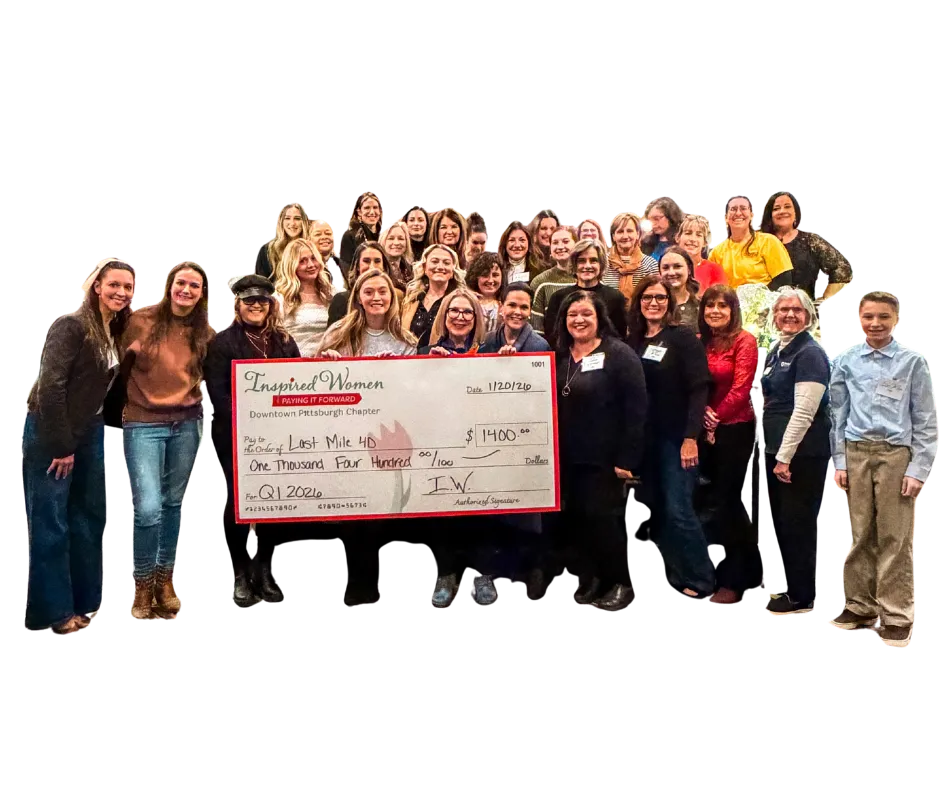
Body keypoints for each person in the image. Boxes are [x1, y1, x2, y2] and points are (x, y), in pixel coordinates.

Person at [24, 258, 136, 634]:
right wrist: (61, 445)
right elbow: (51, 387)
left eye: (127, 287)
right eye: (114, 284)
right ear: (97, 287)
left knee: (89, 517)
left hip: (90, 430)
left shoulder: (114, 329)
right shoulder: (71, 325)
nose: (121, 292)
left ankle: (86, 601)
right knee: (51, 521)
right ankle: (52, 613)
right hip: (53, 430)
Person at [829, 290, 936, 647]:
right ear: (859, 319)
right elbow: (838, 415)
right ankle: (860, 605)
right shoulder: (846, 361)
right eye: (869, 316)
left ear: (896, 320)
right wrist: (840, 462)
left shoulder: (911, 362)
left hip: (895, 456)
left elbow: (925, 419)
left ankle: (896, 615)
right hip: (856, 452)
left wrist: (918, 469)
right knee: (860, 534)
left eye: (883, 317)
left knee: (894, 536)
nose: (875, 323)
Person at [317, 270, 419, 607]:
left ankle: (384, 588)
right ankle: (354, 587)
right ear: (358, 297)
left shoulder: (406, 340)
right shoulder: (337, 334)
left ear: (393, 297)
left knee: (388, 513)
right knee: (353, 516)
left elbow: (415, 390)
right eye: (369, 291)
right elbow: (316, 381)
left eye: (383, 291)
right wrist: (327, 363)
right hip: (348, 438)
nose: (377, 297)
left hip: (390, 439)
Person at [121, 260, 214, 620]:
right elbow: (115, 369)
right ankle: (143, 583)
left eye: (194, 286)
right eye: (181, 283)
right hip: (144, 424)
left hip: (186, 425)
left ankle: (165, 580)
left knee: (173, 502)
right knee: (147, 508)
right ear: (169, 286)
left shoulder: (203, 332)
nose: (186, 290)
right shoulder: (139, 322)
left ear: (201, 294)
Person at [204, 274, 300, 608]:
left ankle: (265, 572)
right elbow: (218, 395)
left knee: (274, 508)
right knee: (236, 511)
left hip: (281, 441)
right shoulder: (222, 343)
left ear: (271, 304)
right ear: (237, 305)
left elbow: (298, 384)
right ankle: (239, 575)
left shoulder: (285, 342)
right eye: (249, 301)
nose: (256, 306)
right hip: (236, 440)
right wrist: (252, 425)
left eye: (262, 300)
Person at [553, 289, 647, 610]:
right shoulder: (560, 355)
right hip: (569, 458)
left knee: (603, 521)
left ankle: (624, 582)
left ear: (599, 318)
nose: (579, 320)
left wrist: (628, 457)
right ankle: (596, 576)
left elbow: (637, 408)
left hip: (605, 459)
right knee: (580, 520)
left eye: (586, 314)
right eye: (573, 315)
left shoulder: (618, 354)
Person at [627, 275, 714, 601]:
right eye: (647, 297)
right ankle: (678, 572)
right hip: (647, 442)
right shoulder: (634, 340)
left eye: (660, 297)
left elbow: (699, 388)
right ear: (638, 302)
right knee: (660, 509)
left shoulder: (682, 338)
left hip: (677, 439)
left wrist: (691, 437)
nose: (653, 303)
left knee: (680, 509)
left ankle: (702, 579)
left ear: (669, 302)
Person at [760, 287, 830, 616]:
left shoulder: (810, 353)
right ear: (774, 316)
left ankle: (802, 597)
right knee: (782, 522)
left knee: (798, 525)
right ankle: (785, 585)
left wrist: (784, 457)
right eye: (783, 309)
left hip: (801, 455)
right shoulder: (779, 348)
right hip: (779, 451)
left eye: (797, 310)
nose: (789, 314)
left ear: (808, 316)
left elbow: (804, 412)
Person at [698, 285, 761, 606]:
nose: (715, 311)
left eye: (723, 305)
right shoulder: (701, 341)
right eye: (710, 305)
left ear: (733, 310)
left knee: (730, 506)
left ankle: (737, 582)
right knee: (711, 506)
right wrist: (703, 416)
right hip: (704, 429)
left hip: (734, 430)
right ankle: (713, 574)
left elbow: (741, 388)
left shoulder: (744, 341)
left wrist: (714, 419)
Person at [759, 192, 853, 302]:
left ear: (796, 213)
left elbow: (842, 268)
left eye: (787, 207)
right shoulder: (758, 241)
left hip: (802, 308)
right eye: (776, 208)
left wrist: (824, 300)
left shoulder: (810, 241)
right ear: (769, 215)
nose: (782, 211)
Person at [544, 239, 627, 346]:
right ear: (574, 264)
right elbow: (552, 337)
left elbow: (620, 337)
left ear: (601, 265)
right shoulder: (558, 297)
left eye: (593, 260)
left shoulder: (615, 297)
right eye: (581, 261)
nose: (587, 266)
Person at [710, 195, 793, 290]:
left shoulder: (768, 242)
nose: (738, 213)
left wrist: (760, 297)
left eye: (743, 208)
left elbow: (783, 281)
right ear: (726, 217)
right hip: (729, 299)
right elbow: (713, 288)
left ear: (752, 216)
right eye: (733, 209)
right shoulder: (716, 252)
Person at [274, 238, 339, 356]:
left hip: (329, 361)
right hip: (294, 361)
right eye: (302, 261)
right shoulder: (280, 298)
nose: (311, 265)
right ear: (292, 265)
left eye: (313, 258)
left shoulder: (332, 293)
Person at [328, 241, 405, 328]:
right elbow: (333, 335)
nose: (372, 266)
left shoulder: (397, 298)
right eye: (366, 261)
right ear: (357, 266)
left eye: (377, 261)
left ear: (384, 266)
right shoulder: (341, 300)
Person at [401, 244, 462, 348]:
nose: (440, 267)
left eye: (446, 263)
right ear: (425, 268)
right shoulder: (411, 300)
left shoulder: (460, 301)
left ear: (453, 271)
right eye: (434, 261)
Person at [479, 283, 551, 354]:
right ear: (501, 307)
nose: (517, 312)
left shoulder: (541, 347)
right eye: (512, 305)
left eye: (524, 307)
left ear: (530, 311)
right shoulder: (485, 342)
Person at [530, 225, 578, 334]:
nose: (560, 247)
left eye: (565, 241)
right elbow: (536, 329)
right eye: (555, 243)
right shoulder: (540, 282)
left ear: (576, 245)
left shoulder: (587, 278)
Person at [604, 212, 658, 298]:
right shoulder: (603, 262)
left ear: (638, 234)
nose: (625, 236)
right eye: (620, 231)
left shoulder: (651, 264)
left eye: (629, 231)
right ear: (613, 236)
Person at [256, 202, 310, 279]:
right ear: (281, 222)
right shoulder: (268, 250)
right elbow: (261, 282)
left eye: (297, 218)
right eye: (287, 218)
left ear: (304, 222)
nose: (292, 223)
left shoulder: (312, 248)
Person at [339, 191, 384, 279]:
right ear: (359, 212)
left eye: (375, 207)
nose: (372, 212)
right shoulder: (349, 236)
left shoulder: (385, 234)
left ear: (380, 211)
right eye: (367, 208)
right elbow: (347, 270)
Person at [676, 214, 727, 292]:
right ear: (677, 238)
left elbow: (722, 297)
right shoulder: (667, 266)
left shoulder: (715, 270)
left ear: (704, 242)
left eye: (699, 235)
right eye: (688, 233)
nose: (693, 239)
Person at [659, 246, 700, 330]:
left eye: (677, 266)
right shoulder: (653, 306)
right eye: (665, 268)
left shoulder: (701, 306)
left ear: (689, 269)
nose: (671, 273)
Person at [465, 251, 503, 333]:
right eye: (485, 275)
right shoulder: (467, 302)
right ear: (475, 277)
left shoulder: (506, 303)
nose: (490, 280)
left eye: (495, 275)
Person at [641, 196, 684, 261]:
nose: (653, 224)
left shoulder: (682, 240)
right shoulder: (647, 242)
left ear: (671, 217)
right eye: (650, 220)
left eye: (656, 219)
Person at [310, 218, 345, 289]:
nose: (324, 237)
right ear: (308, 239)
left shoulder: (339, 263)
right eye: (318, 234)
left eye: (328, 233)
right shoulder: (308, 267)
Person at [378, 220, 415, 285]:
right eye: (391, 238)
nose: (396, 243)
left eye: (401, 239)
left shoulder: (412, 270)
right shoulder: (377, 269)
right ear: (383, 241)